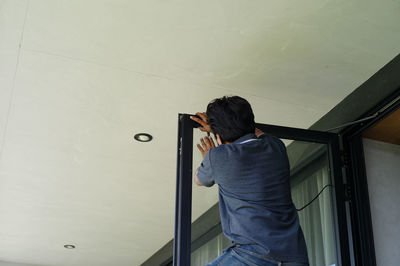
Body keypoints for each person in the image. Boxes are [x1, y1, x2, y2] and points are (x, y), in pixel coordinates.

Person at [190, 96, 309, 266]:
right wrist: (221, 128)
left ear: (218, 136)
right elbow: (257, 132)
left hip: (252, 256)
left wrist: (209, 156)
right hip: (295, 257)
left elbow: (198, 179)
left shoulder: (218, 156)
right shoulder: (275, 146)